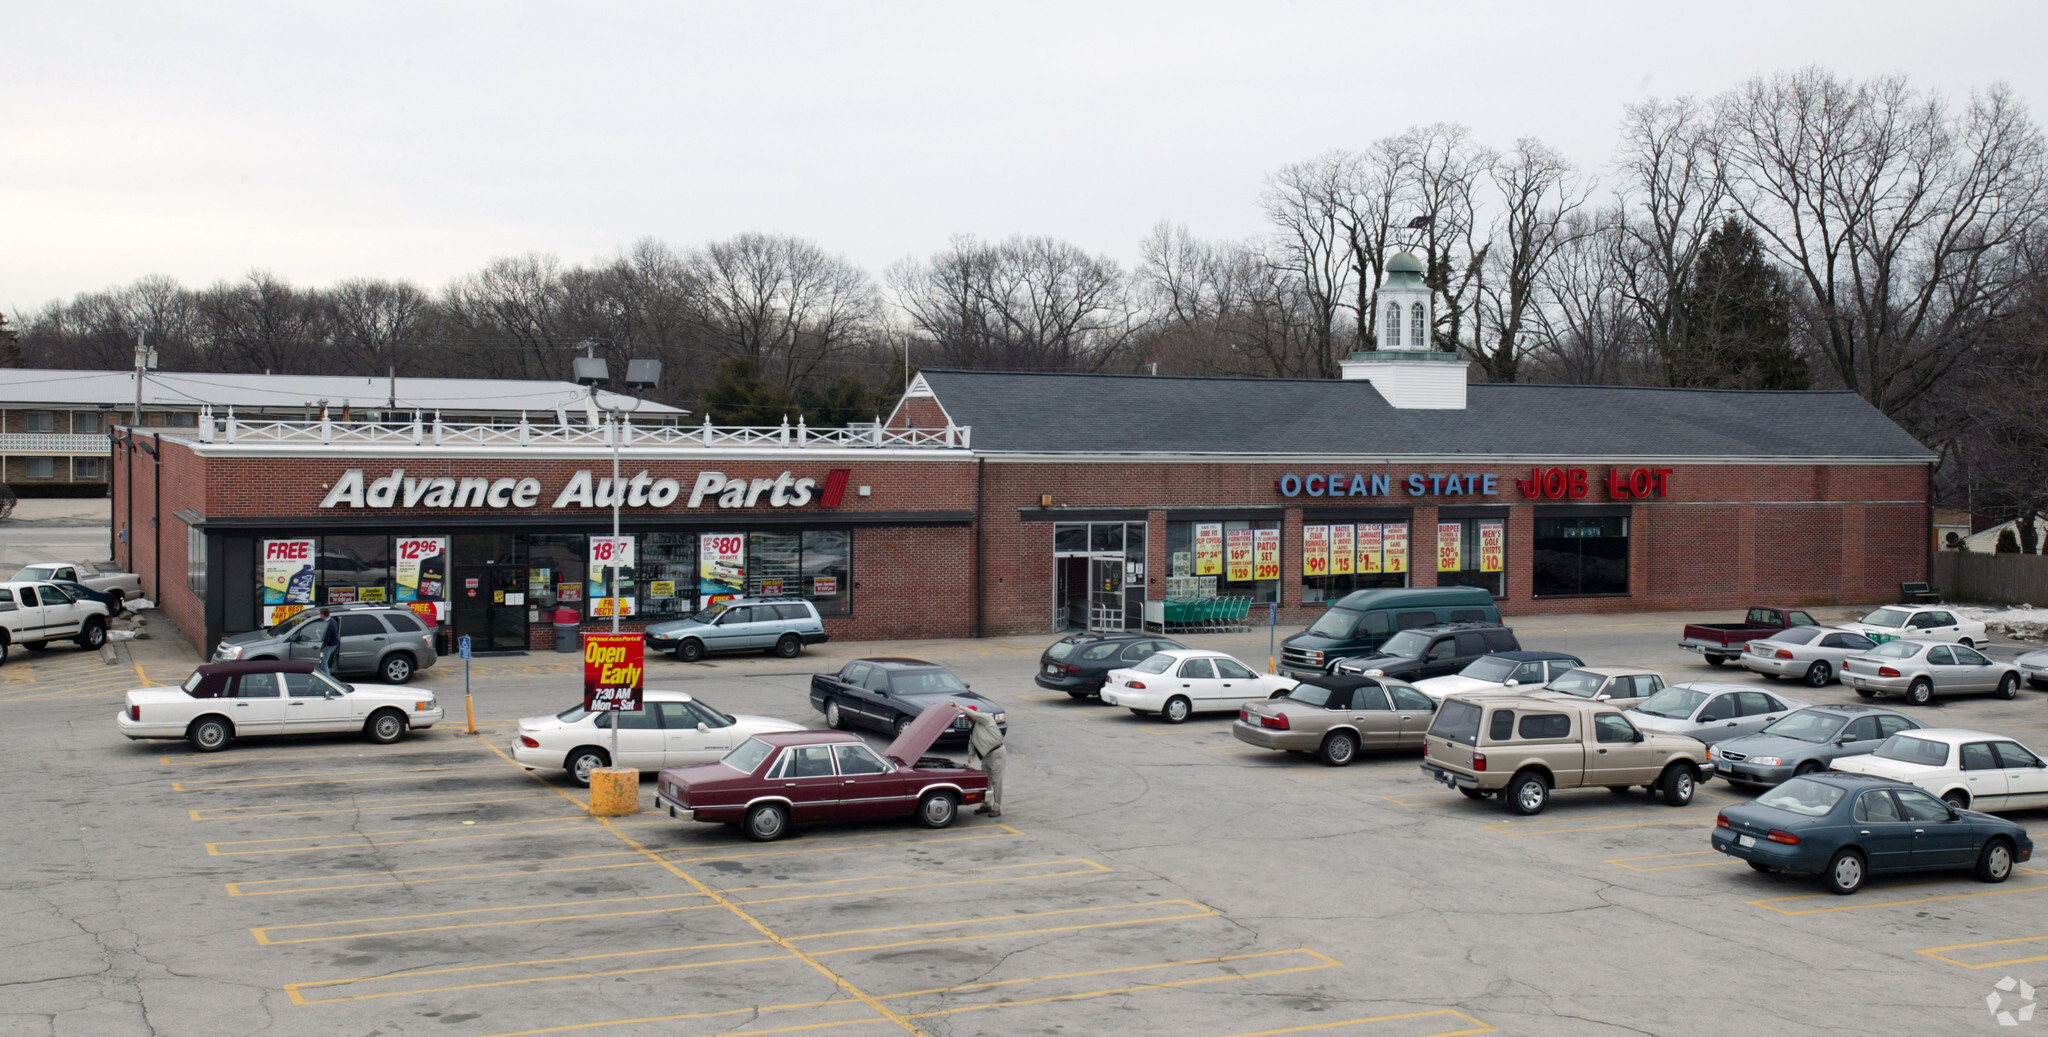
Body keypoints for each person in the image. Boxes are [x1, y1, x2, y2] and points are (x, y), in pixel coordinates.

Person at [963, 705, 1005, 818]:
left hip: (996, 753)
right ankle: (986, 805)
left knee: (996, 781)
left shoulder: (985, 718)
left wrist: (959, 707)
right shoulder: (974, 727)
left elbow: (975, 715)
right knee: (985, 781)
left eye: (969, 717)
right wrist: (971, 754)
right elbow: (972, 741)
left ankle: (997, 807)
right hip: (985, 755)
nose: (969, 719)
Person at [316, 608, 340, 675]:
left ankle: (327, 676)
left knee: (324, 662)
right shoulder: (332, 620)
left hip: (329, 645)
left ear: (323, 615)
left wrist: (322, 647)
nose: (320, 616)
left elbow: (326, 639)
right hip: (334, 643)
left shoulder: (329, 626)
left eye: (320, 614)